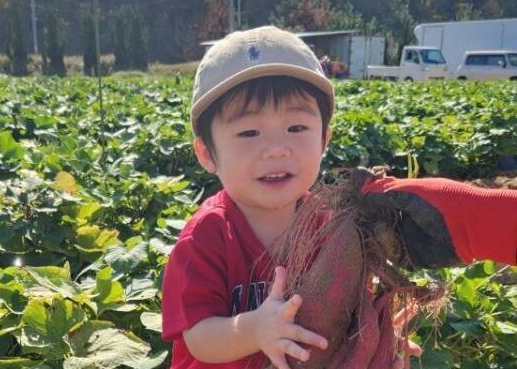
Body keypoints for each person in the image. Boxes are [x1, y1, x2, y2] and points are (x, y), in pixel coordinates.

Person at [161, 26, 517, 369]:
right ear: (207, 153)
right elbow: (198, 338)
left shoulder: (331, 223)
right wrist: (256, 330)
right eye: (249, 132)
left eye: (297, 128)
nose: (276, 149)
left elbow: (345, 308)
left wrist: (377, 336)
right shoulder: (206, 235)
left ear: (324, 140)